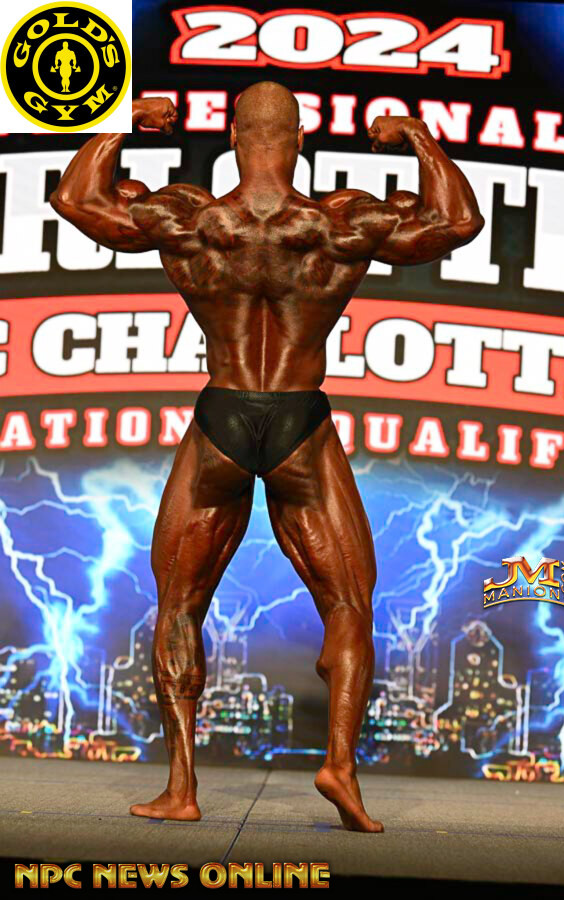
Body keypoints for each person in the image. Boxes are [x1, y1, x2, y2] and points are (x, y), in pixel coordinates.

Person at [50, 83, 483, 832]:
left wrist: (123, 124)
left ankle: (182, 789)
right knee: (347, 605)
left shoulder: (191, 217)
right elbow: (457, 222)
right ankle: (339, 768)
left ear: (232, 137)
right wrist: (416, 133)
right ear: (301, 139)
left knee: (180, 605)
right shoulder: (338, 222)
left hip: (221, 415)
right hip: (299, 420)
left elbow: (76, 202)